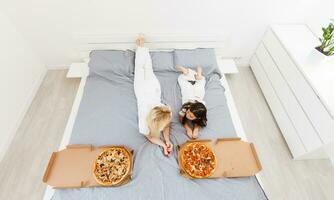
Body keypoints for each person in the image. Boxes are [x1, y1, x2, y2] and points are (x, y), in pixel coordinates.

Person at [134, 35, 173, 156]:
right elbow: (151, 137)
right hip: (149, 89)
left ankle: (141, 48)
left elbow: (166, 125)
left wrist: (166, 142)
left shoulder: (163, 112)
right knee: (142, 69)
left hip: (149, 89)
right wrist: (164, 141)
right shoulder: (144, 126)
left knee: (144, 69)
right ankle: (141, 48)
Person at [177, 65, 208, 139]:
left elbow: (204, 122)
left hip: (196, 99)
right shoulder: (186, 108)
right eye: (188, 112)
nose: (187, 115)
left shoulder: (201, 114)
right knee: (185, 84)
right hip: (191, 98)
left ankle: (195, 75)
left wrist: (196, 129)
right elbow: (181, 118)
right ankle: (190, 74)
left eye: (190, 116)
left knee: (198, 87)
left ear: (198, 117)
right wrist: (188, 128)